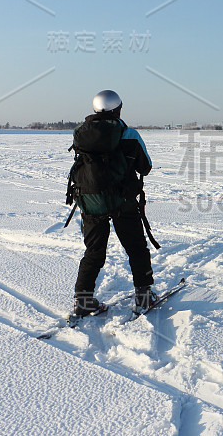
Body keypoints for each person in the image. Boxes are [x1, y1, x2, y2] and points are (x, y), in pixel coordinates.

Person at [71, 89, 158, 316]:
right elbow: (145, 167)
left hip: (90, 200)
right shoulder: (129, 134)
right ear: (118, 108)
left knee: (94, 251)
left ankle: (83, 300)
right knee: (136, 247)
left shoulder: (81, 133)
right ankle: (144, 296)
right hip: (123, 201)